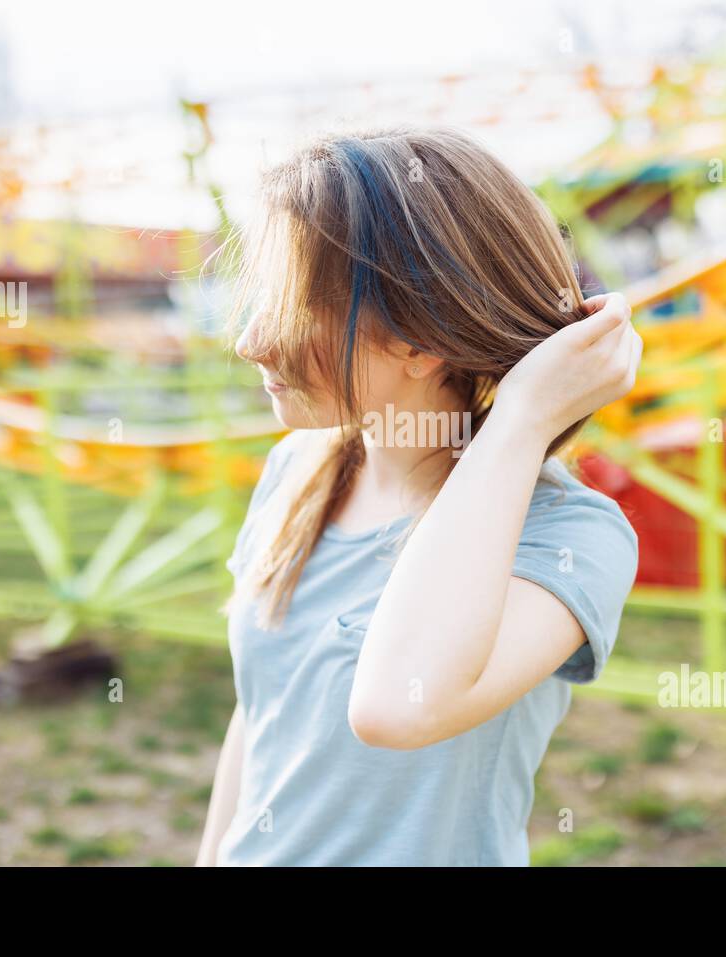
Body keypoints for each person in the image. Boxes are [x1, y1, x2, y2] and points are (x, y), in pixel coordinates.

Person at [195, 126, 641, 866]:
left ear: (418, 340)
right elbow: (261, 716)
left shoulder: (571, 537)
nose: (248, 342)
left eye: (291, 303)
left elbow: (397, 705)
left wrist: (525, 417)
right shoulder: (295, 470)